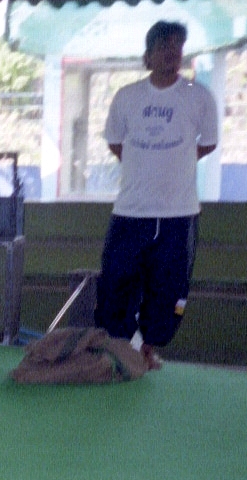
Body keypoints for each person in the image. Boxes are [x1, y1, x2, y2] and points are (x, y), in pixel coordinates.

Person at [93, 20, 219, 370]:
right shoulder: (127, 97)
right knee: (115, 283)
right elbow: (115, 142)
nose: (171, 53)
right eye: (163, 46)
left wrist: (175, 162)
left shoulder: (198, 96)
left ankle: (147, 351)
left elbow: (208, 143)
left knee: (168, 290)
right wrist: (146, 163)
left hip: (179, 215)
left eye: (177, 46)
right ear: (147, 56)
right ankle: (120, 349)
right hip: (131, 212)